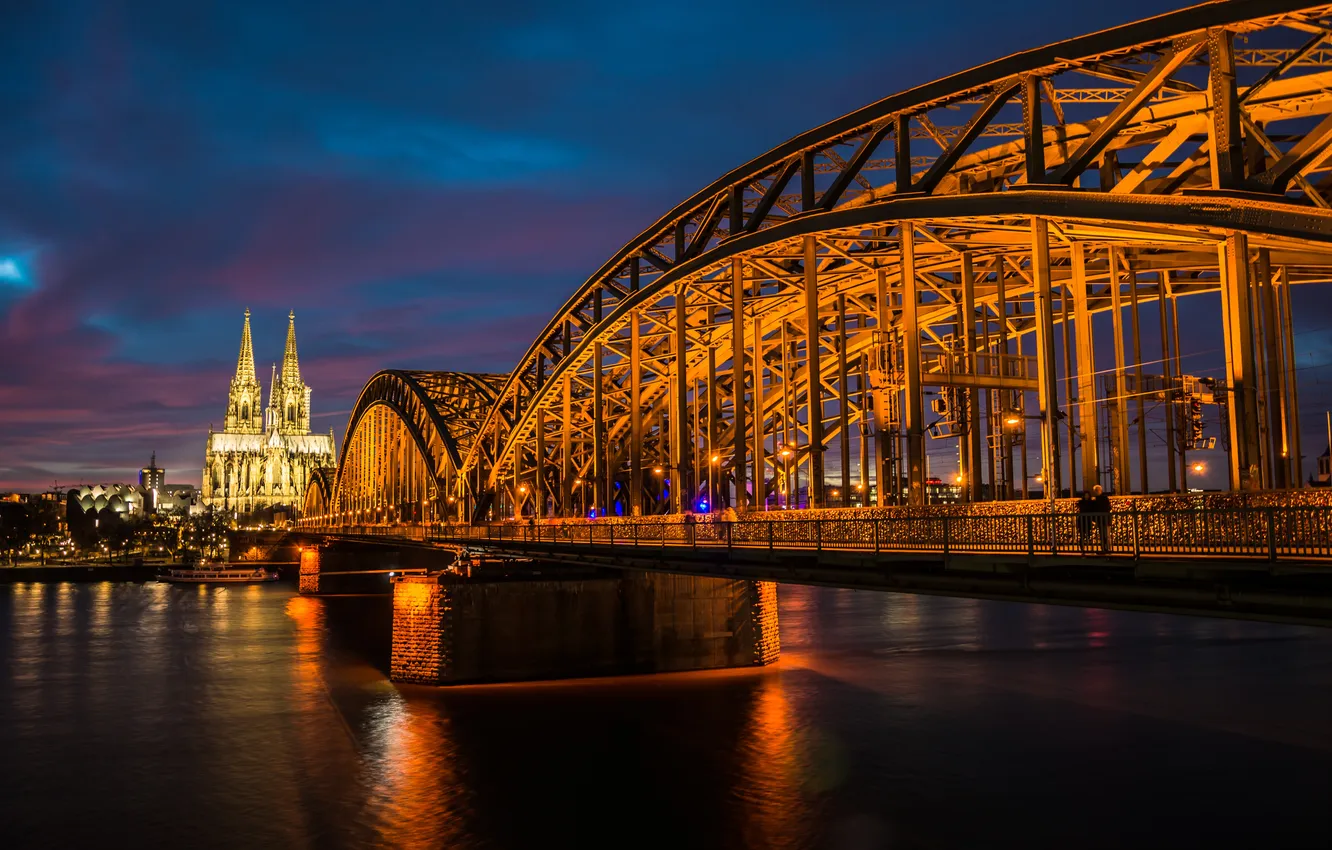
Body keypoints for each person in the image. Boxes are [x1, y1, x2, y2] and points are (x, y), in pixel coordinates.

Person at [1091, 484, 1111, 554]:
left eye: (1097, 490)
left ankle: (1106, 548)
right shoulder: (1103, 498)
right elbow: (1108, 507)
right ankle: (1105, 548)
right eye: (1096, 490)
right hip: (1103, 519)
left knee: (1105, 535)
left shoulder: (1098, 499)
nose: (1096, 491)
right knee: (1103, 535)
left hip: (1102, 519)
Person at [1077, 490, 1094, 555]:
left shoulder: (1091, 502)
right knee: (1082, 535)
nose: (1086, 496)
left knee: (1089, 534)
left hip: (1088, 520)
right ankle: (1082, 549)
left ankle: (1089, 548)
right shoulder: (1081, 502)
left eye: (1087, 495)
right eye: (1085, 495)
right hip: (1082, 520)